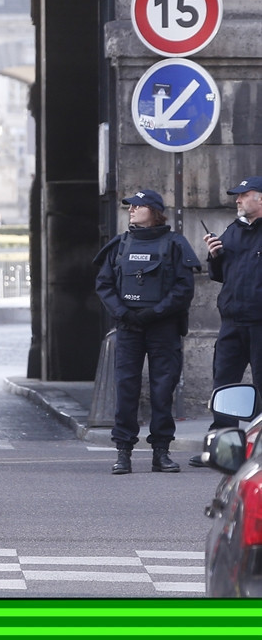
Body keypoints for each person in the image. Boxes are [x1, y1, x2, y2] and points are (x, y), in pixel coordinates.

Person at [94, 189, 200, 475]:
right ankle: (124, 452)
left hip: (162, 327)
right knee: (126, 388)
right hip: (129, 326)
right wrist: (123, 312)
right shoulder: (121, 244)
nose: (131, 210)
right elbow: (104, 284)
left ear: (154, 211)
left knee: (162, 389)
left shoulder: (175, 244)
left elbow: (183, 288)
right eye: (130, 206)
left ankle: (161, 452)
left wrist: (156, 313)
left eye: (138, 206)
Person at [190, 176, 262, 467]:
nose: (237, 200)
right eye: (237, 196)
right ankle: (223, 449)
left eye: (244, 195)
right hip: (232, 322)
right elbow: (220, 275)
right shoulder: (233, 231)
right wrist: (215, 256)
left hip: (260, 323)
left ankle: (257, 451)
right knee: (224, 387)